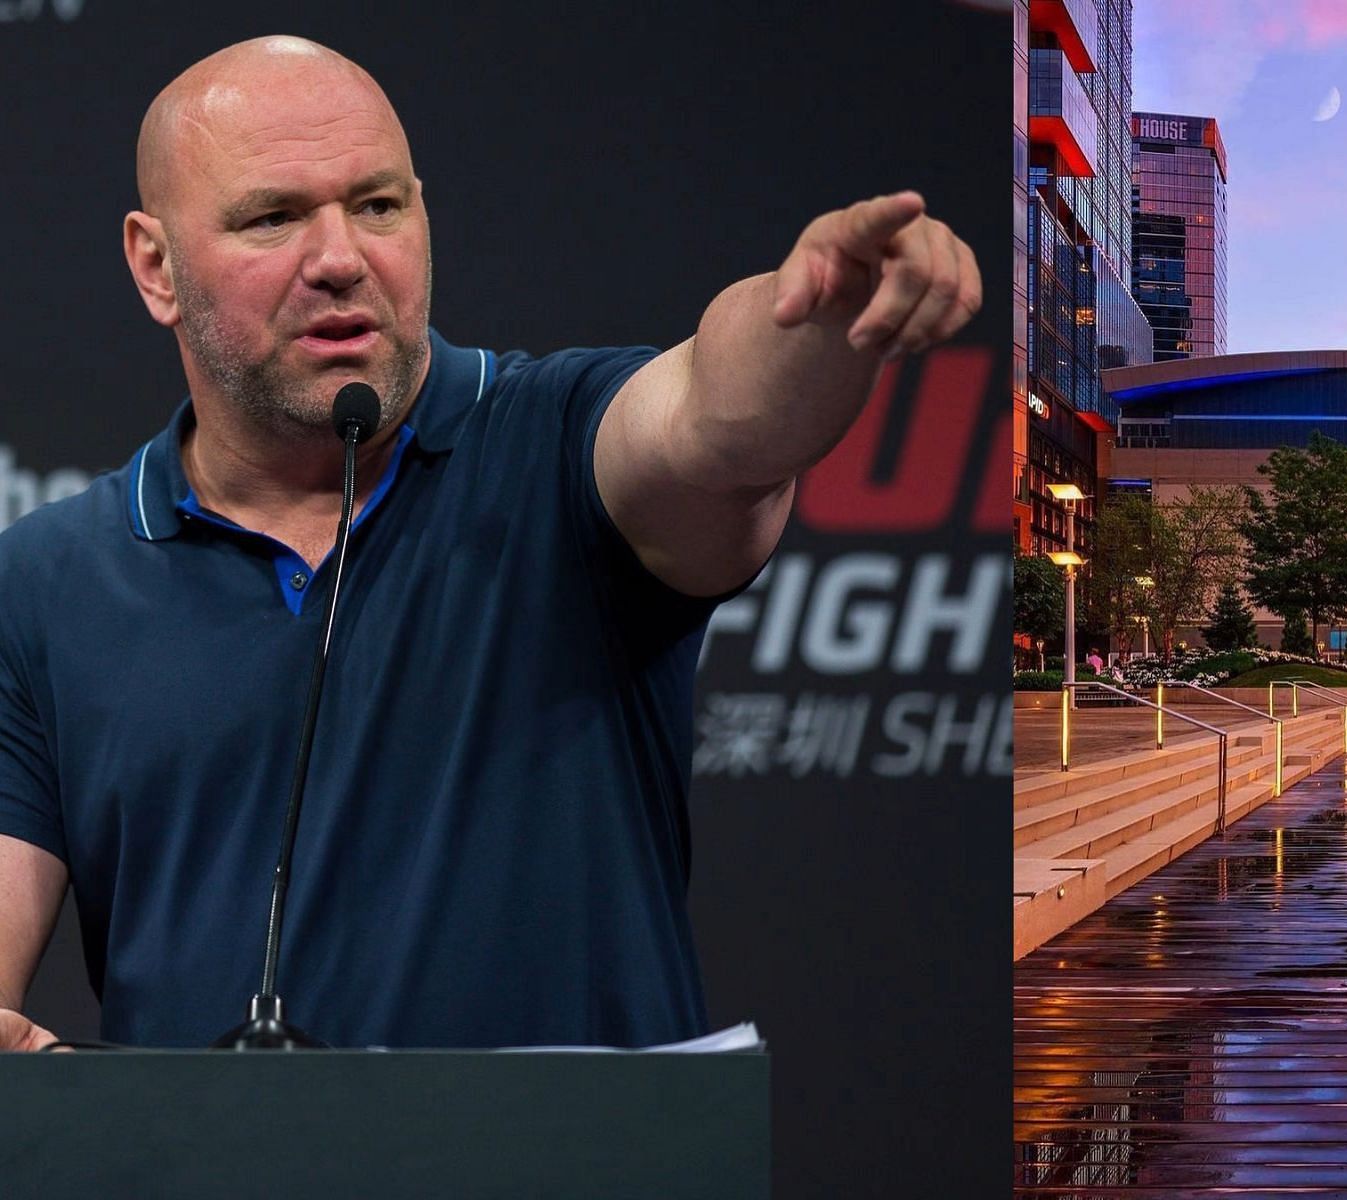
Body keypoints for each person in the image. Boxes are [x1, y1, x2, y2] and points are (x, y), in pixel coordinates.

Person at [0, 36, 978, 1050]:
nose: (341, 259)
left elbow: (720, 417)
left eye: (378, 205)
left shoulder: (560, 445)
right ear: (156, 266)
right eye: (273, 217)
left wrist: (816, 319)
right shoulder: (40, 582)